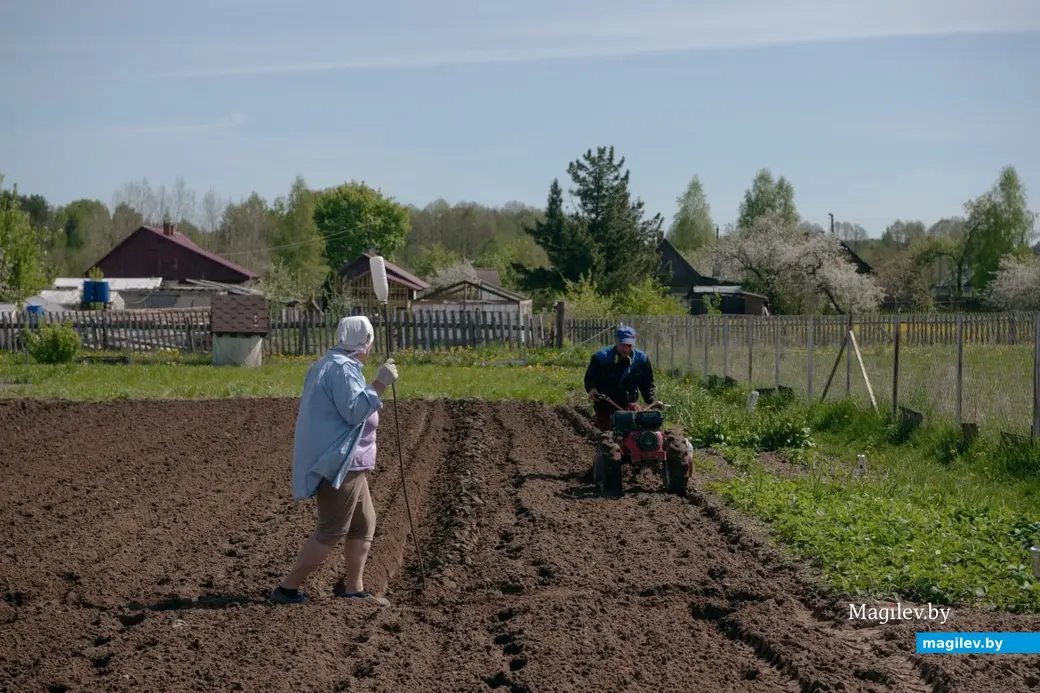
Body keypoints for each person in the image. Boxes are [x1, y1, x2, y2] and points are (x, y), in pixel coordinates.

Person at [270, 315, 399, 607]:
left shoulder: (332, 364)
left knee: (364, 523)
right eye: (370, 339)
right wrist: (380, 383)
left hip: (348, 460)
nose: (371, 344)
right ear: (363, 341)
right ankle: (287, 589)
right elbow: (354, 411)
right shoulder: (341, 370)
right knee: (332, 529)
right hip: (341, 460)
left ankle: (354, 589)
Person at [584, 325, 660, 431]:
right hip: (606, 403)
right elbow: (590, 377)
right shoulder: (601, 357)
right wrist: (592, 389)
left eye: (629, 345)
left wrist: (652, 400)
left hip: (629, 403)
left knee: (635, 432)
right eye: (623, 345)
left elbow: (647, 383)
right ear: (616, 341)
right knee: (606, 433)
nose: (626, 349)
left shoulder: (641, 359)